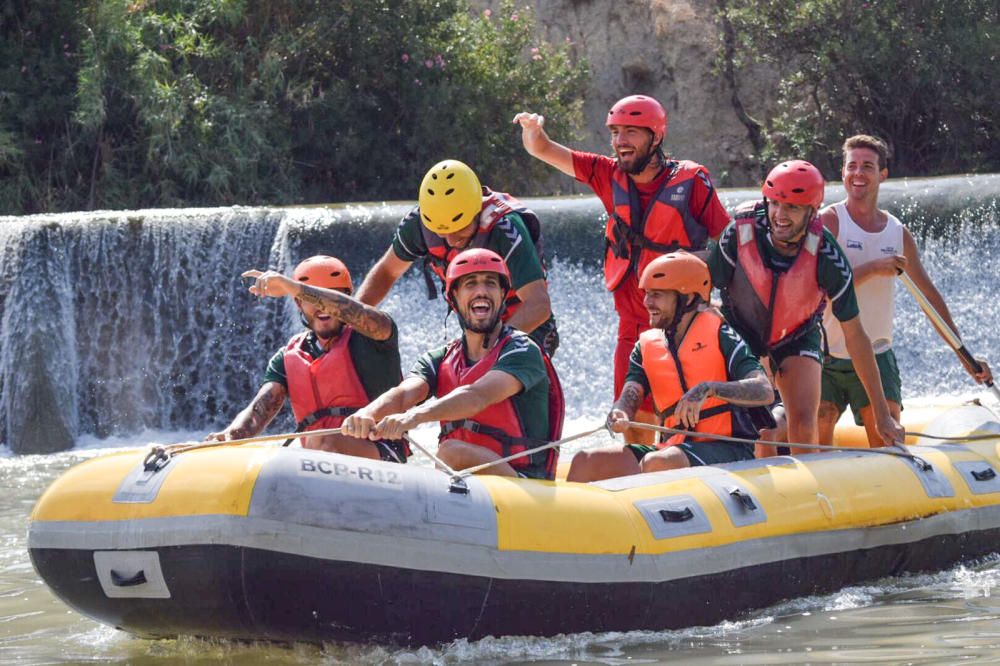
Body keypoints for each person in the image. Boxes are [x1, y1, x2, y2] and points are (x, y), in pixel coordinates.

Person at [513, 95, 730, 439]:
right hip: (632, 328)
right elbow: (543, 149)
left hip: (685, 326)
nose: (620, 142)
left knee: (685, 427)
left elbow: (728, 245)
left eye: (631, 132)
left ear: (656, 137)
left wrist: (691, 265)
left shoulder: (692, 181)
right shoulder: (606, 173)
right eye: (615, 132)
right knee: (634, 426)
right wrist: (533, 131)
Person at [706, 160, 905, 454]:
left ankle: (809, 492)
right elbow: (702, 293)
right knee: (763, 428)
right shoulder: (739, 232)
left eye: (792, 208)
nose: (780, 215)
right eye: (774, 204)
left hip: (797, 334)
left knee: (803, 422)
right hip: (741, 331)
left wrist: (882, 414)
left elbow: (855, 335)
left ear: (812, 212)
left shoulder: (828, 256)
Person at [818, 135, 993, 445]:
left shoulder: (897, 233)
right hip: (825, 355)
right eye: (851, 166)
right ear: (842, 172)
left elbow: (929, 298)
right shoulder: (829, 222)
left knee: (889, 444)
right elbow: (816, 288)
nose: (858, 174)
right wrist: (873, 268)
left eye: (867, 167)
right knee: (814, 437)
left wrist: (964, 356)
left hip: (877, 353)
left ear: (883, 175)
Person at [344, 249, 564, 480]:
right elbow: (402, 395)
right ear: (453, 297)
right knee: (450, 453)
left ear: (502, 293)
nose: (481, 291)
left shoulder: (522, 350)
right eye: (470, 284)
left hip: (524, 484)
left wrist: (414, 417)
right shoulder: (440, 358)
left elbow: (477, 395)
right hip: (470, 483)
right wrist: (367, 413)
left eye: (490, 283)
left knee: (451, 451)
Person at [566, 253, 774, 482]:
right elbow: (631, 393)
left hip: (729, 450)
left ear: (687, 298)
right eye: (647, 294)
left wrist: (709, 389)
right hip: (671, 448)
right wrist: (620, 412)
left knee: (658, 463)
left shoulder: (722, 335)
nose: (647, 303)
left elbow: (763, 390)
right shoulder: (645, 346)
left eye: (657, 295)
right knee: (586, 461)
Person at [206, 255, 408, 462]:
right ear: (298, 304)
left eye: (329, 297)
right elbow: (259, 410)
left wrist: (291, 286)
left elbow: (360, 312)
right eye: (310, 300)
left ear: (345, 298)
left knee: (327, 442)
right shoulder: (287, 356)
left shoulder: (374, 333)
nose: (322, 308)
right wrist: (231, 435)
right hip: (316, 459)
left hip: (382, 452)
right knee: (315, 446)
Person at [355, 159, 559, 356]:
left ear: (476, 212)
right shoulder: (419, 224)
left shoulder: (505, 227)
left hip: (529, 328)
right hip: (476, 330)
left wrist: (492, 349)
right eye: (441, 232)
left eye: (459, 231)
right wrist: (352, 319)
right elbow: (387, 271)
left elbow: (538, 305)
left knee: (500, 380)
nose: (451, 240)